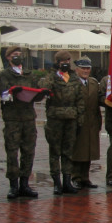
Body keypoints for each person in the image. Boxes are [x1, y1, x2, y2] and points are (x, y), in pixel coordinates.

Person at [0, 45, 39, 199]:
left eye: (19, 54)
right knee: (12, 152)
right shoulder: (4, 75)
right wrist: (10, 92)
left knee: (28, 152)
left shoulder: (29, 74)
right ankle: (13, 185)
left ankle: (25, 183)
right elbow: (2, 93)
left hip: (28, 118)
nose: (17, 56)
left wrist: (42, 94)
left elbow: (36, 92)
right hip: (13, 118)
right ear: (8, 57)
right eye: (14, 54)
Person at [40, 51, 84, 195]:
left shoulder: (73, 78)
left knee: (68, 152)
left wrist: (80, 119)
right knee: (55, 151)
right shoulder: (52, 77)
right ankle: (56, 183)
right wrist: (54, 72)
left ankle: (67, 181)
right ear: (57, 62)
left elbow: (80, 100)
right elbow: (43, 86)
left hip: (71, 119)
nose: (66, 63)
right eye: (63, 61)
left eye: (68, 60)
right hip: (55, 119)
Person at [71, 57, 103, 189]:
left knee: (89, 150)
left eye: (88, 68)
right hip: (78, 121)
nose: (85, 71)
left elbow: (99, 99)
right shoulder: (72, 83)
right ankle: (75, 177)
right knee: (78, 150)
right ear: (77, 69)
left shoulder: (94, 82)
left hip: (92, 120)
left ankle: (85, 177)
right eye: (83, 68)